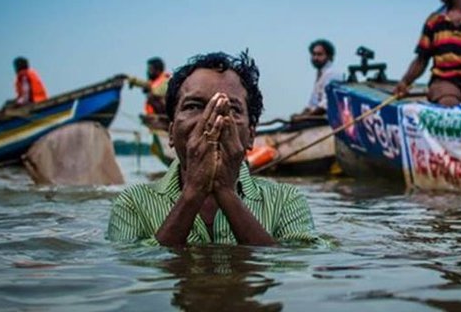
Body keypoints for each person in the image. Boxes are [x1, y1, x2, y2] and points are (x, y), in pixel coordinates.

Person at [108, 51, 321, 247]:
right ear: (171, 132)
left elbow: (296, 265)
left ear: (251, 135)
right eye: (193, 106)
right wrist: (193, 193)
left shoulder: (285, 200)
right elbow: (134, 270)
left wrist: (226, 192)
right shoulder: (132, 203)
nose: (212, 120)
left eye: (231, 109)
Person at [293, 39, 344, 119]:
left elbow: (327, 103)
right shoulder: (321, 73)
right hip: (317, 117)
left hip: (329, 119)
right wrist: (301, 115)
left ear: (329, 56)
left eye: (319, 54)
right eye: (313, 54)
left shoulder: (332, 73)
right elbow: (312, 103)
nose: (315, 57)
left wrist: (307, 117)